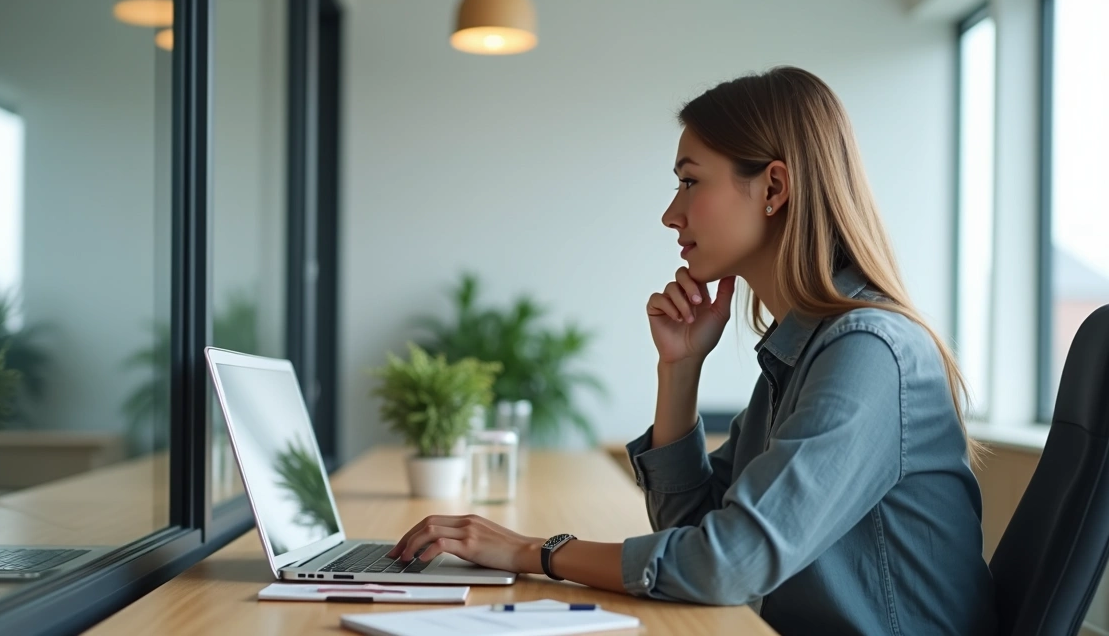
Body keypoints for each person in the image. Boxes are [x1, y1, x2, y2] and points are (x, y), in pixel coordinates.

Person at [385, 66, 997, 635]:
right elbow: (697, 536)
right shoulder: (804, 352)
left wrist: (532, 552)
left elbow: (725, 565)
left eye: (689, 181)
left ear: (774, 187)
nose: (670, 214)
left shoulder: (867, 354)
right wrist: (678, 371)